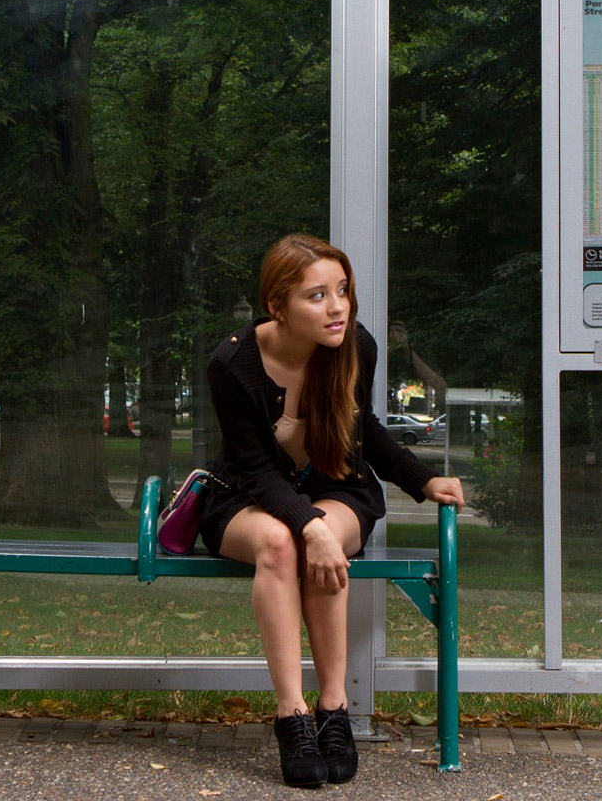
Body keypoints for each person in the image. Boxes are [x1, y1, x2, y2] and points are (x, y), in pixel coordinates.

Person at [194, 233, 464, 789]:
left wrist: (423, 479)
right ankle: (291, 716)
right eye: (317, 296)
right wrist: (307, 524)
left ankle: (334, 710)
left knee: (323, 540)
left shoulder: (355, 346)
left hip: (339, 485)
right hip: (246, 493)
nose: (337, 306)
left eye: (342, 291)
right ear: (278, 307)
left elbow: (363, 431)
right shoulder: (233, 362)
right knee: (279, 542)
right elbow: (255, 469)